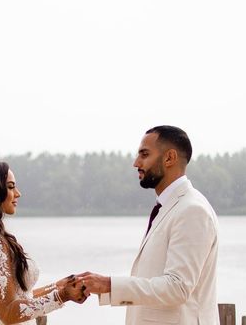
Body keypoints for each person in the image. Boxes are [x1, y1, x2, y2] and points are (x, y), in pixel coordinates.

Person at [78, 125, 219, 324]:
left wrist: (109, 285)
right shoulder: (169, 207)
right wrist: (105, 288)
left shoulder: (192, 210)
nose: (136, 163)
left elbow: (177, 288)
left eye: (144, 154)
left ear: (169, 158)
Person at [0, 160, 87, 325]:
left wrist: (58, 287)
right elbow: (8, 312)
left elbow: (18, 298)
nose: (18, 193)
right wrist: (62, 296)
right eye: (11, 187)